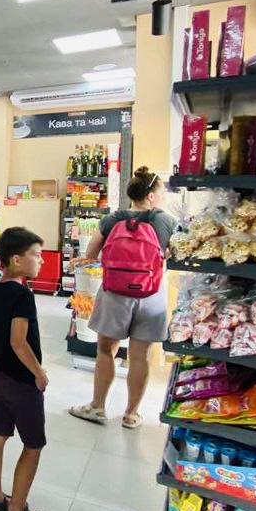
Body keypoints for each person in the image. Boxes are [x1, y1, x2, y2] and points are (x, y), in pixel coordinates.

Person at [68, 167, 176, 429]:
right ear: (151, 196)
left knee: (106, 350)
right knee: (140, 356)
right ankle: (131, 414)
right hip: (151, 294)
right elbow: (176, 254)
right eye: (161, 192)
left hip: (115, 294)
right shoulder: (166, 221)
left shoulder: (112, 219)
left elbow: (92, 253)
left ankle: (97, 407)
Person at [0, 226, 54, 511]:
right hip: (22, 382)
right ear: (17, 259)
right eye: (36, 255)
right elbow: (19, 342)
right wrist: (39, 373)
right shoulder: (23, 295)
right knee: (33, 445)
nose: (41, 260)